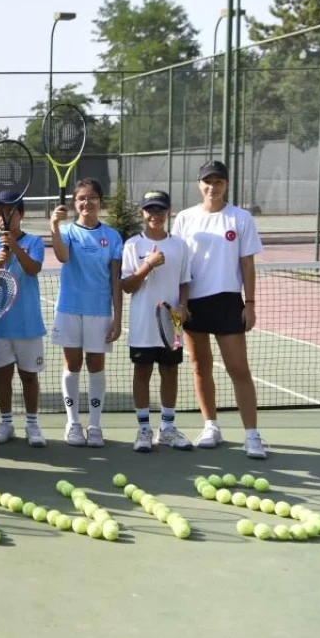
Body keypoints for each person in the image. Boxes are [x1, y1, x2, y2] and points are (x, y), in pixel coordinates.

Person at [170, 160, 267, 459]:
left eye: (219, 182)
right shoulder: (184, 219)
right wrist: (178, 307)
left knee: (239, 370)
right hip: (192, 304)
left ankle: (252, 435)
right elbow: (176, 262)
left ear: (226, 184)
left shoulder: (240, 218)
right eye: (207, 182)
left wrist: (249, 304)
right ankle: (210, 425)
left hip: (227, 301)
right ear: (199, 185)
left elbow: (247, 264)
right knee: (200, 367)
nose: (212, 187)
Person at [49, 178, 123, 448]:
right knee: (72, 365)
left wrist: (118, 317)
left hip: (99, 311)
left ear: (100, 201)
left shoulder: (113, 236)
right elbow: (63, 257)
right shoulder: (68, 231)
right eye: (81, 198)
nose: (87, 202)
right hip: (69, 309)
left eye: (92, 197)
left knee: (96, 366)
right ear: (75, 203)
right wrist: (54, 226)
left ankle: (94, 425)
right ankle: (73, 423)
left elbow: (115, 279)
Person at [120, 190, 193, 453]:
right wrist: (148, 265)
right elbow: (127, 285)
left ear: (168, 213)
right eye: (150, 210)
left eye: (160, 210)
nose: (155, 215)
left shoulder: (179, 245)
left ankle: (167, 428)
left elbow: (185, 282)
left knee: (170, 372)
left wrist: (183, 307)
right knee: (142, 372)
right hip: (142, 324)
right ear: (142, 213)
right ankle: (143, 429)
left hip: (171, 322)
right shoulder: (132, 245)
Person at [0, 191, 48, 448]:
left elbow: (33, 269)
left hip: (28, 324)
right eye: (0, 212)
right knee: (2, 376)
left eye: (11, 211)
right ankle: (6, 423)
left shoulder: (35, 241)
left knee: (29, 376)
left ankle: (32, 424)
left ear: (21, 214)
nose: (5, 216)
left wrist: (14, 247)